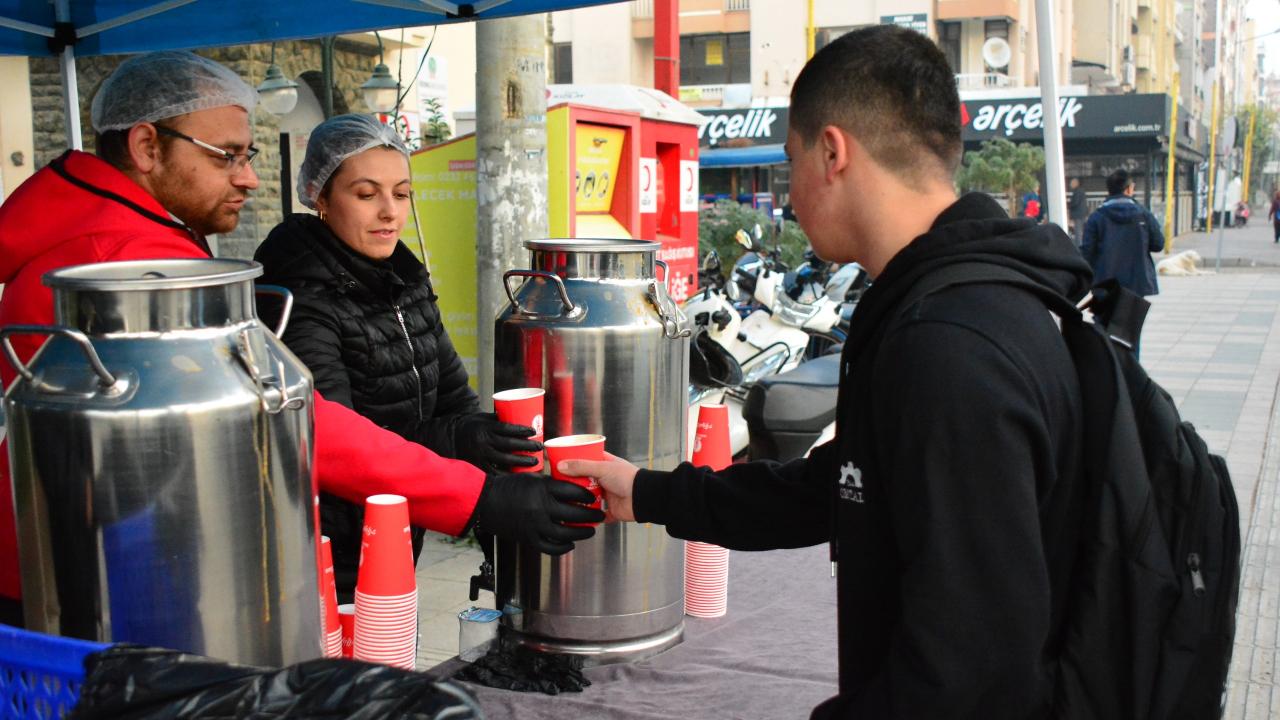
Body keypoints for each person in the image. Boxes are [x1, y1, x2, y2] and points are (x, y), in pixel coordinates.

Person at [563, 25, 1093, 718]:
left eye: (789, 163)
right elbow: (840, 486)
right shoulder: (953, 301)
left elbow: (972, 669)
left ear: (832, 152)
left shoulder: (952, 346)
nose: (788, 195)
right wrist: (650, 494)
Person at [0, 51, 602, 626]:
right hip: (106, 577)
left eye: (249, 154)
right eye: (226, 156)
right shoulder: (129, 267)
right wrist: (475, 496)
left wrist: (466, 436)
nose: (250, 178)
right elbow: (296, 422)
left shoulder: (108, 233)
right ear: (146, 146)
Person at [253, 114, 540, 601]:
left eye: (401, 194)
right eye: (366, 195)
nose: (389, 211)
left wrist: (487, 444)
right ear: (320, 197)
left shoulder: (403, 281)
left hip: (398, 524)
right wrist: (455, 442)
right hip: (323, 544)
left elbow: (452, 394)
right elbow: (334, 442)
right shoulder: (300, 297)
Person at [1081, 168, 1165, 297]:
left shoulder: (1096, 217)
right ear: (1129, 189)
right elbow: (1158, 244)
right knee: (1131, 317)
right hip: (1137, 283)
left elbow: (1087, 251)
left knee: (1107, 317)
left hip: (1105, 283)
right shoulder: (1143, 214)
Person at [1067, 177, 1088, 245]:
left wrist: (1068, 205)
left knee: (1078, 231)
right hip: (1082, 214)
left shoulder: (1077, 191)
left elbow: (1075, 202)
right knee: (1080, 231)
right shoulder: (1080, 191)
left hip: (1078, 214)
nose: (1070, 184)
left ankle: (1079, 246)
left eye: (1072, 183)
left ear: (1076, 183)